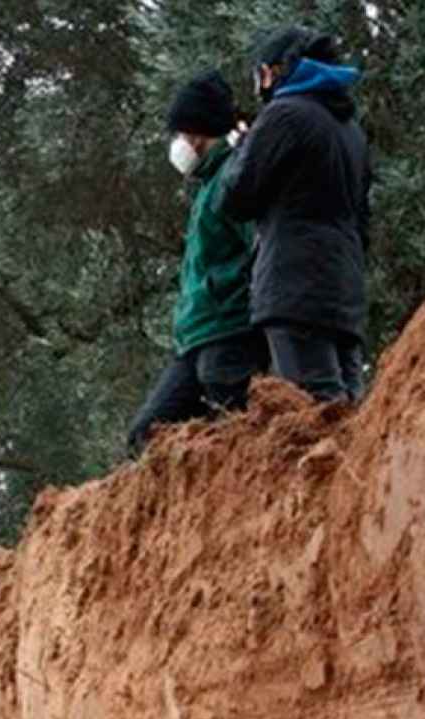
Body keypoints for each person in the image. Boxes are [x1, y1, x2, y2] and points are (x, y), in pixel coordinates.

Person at [220, 26, 372, 403]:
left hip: (294, 284)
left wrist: (243, 147)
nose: (259, 86)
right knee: (350, 411)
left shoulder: (284, 115)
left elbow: (235, 198)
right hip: (344, 287)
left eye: (261, 75)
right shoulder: (351, 130)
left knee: (316, 414)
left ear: (275, 71)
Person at [128, 69, 268, 456]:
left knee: (236, 435)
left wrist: (233, 298)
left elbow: (261, 250)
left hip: (229, 331)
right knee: (147, 435)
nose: (177, 143)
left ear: (197, 132)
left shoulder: (231, 178)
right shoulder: (208, 186)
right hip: (194, 340)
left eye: (180, 133)